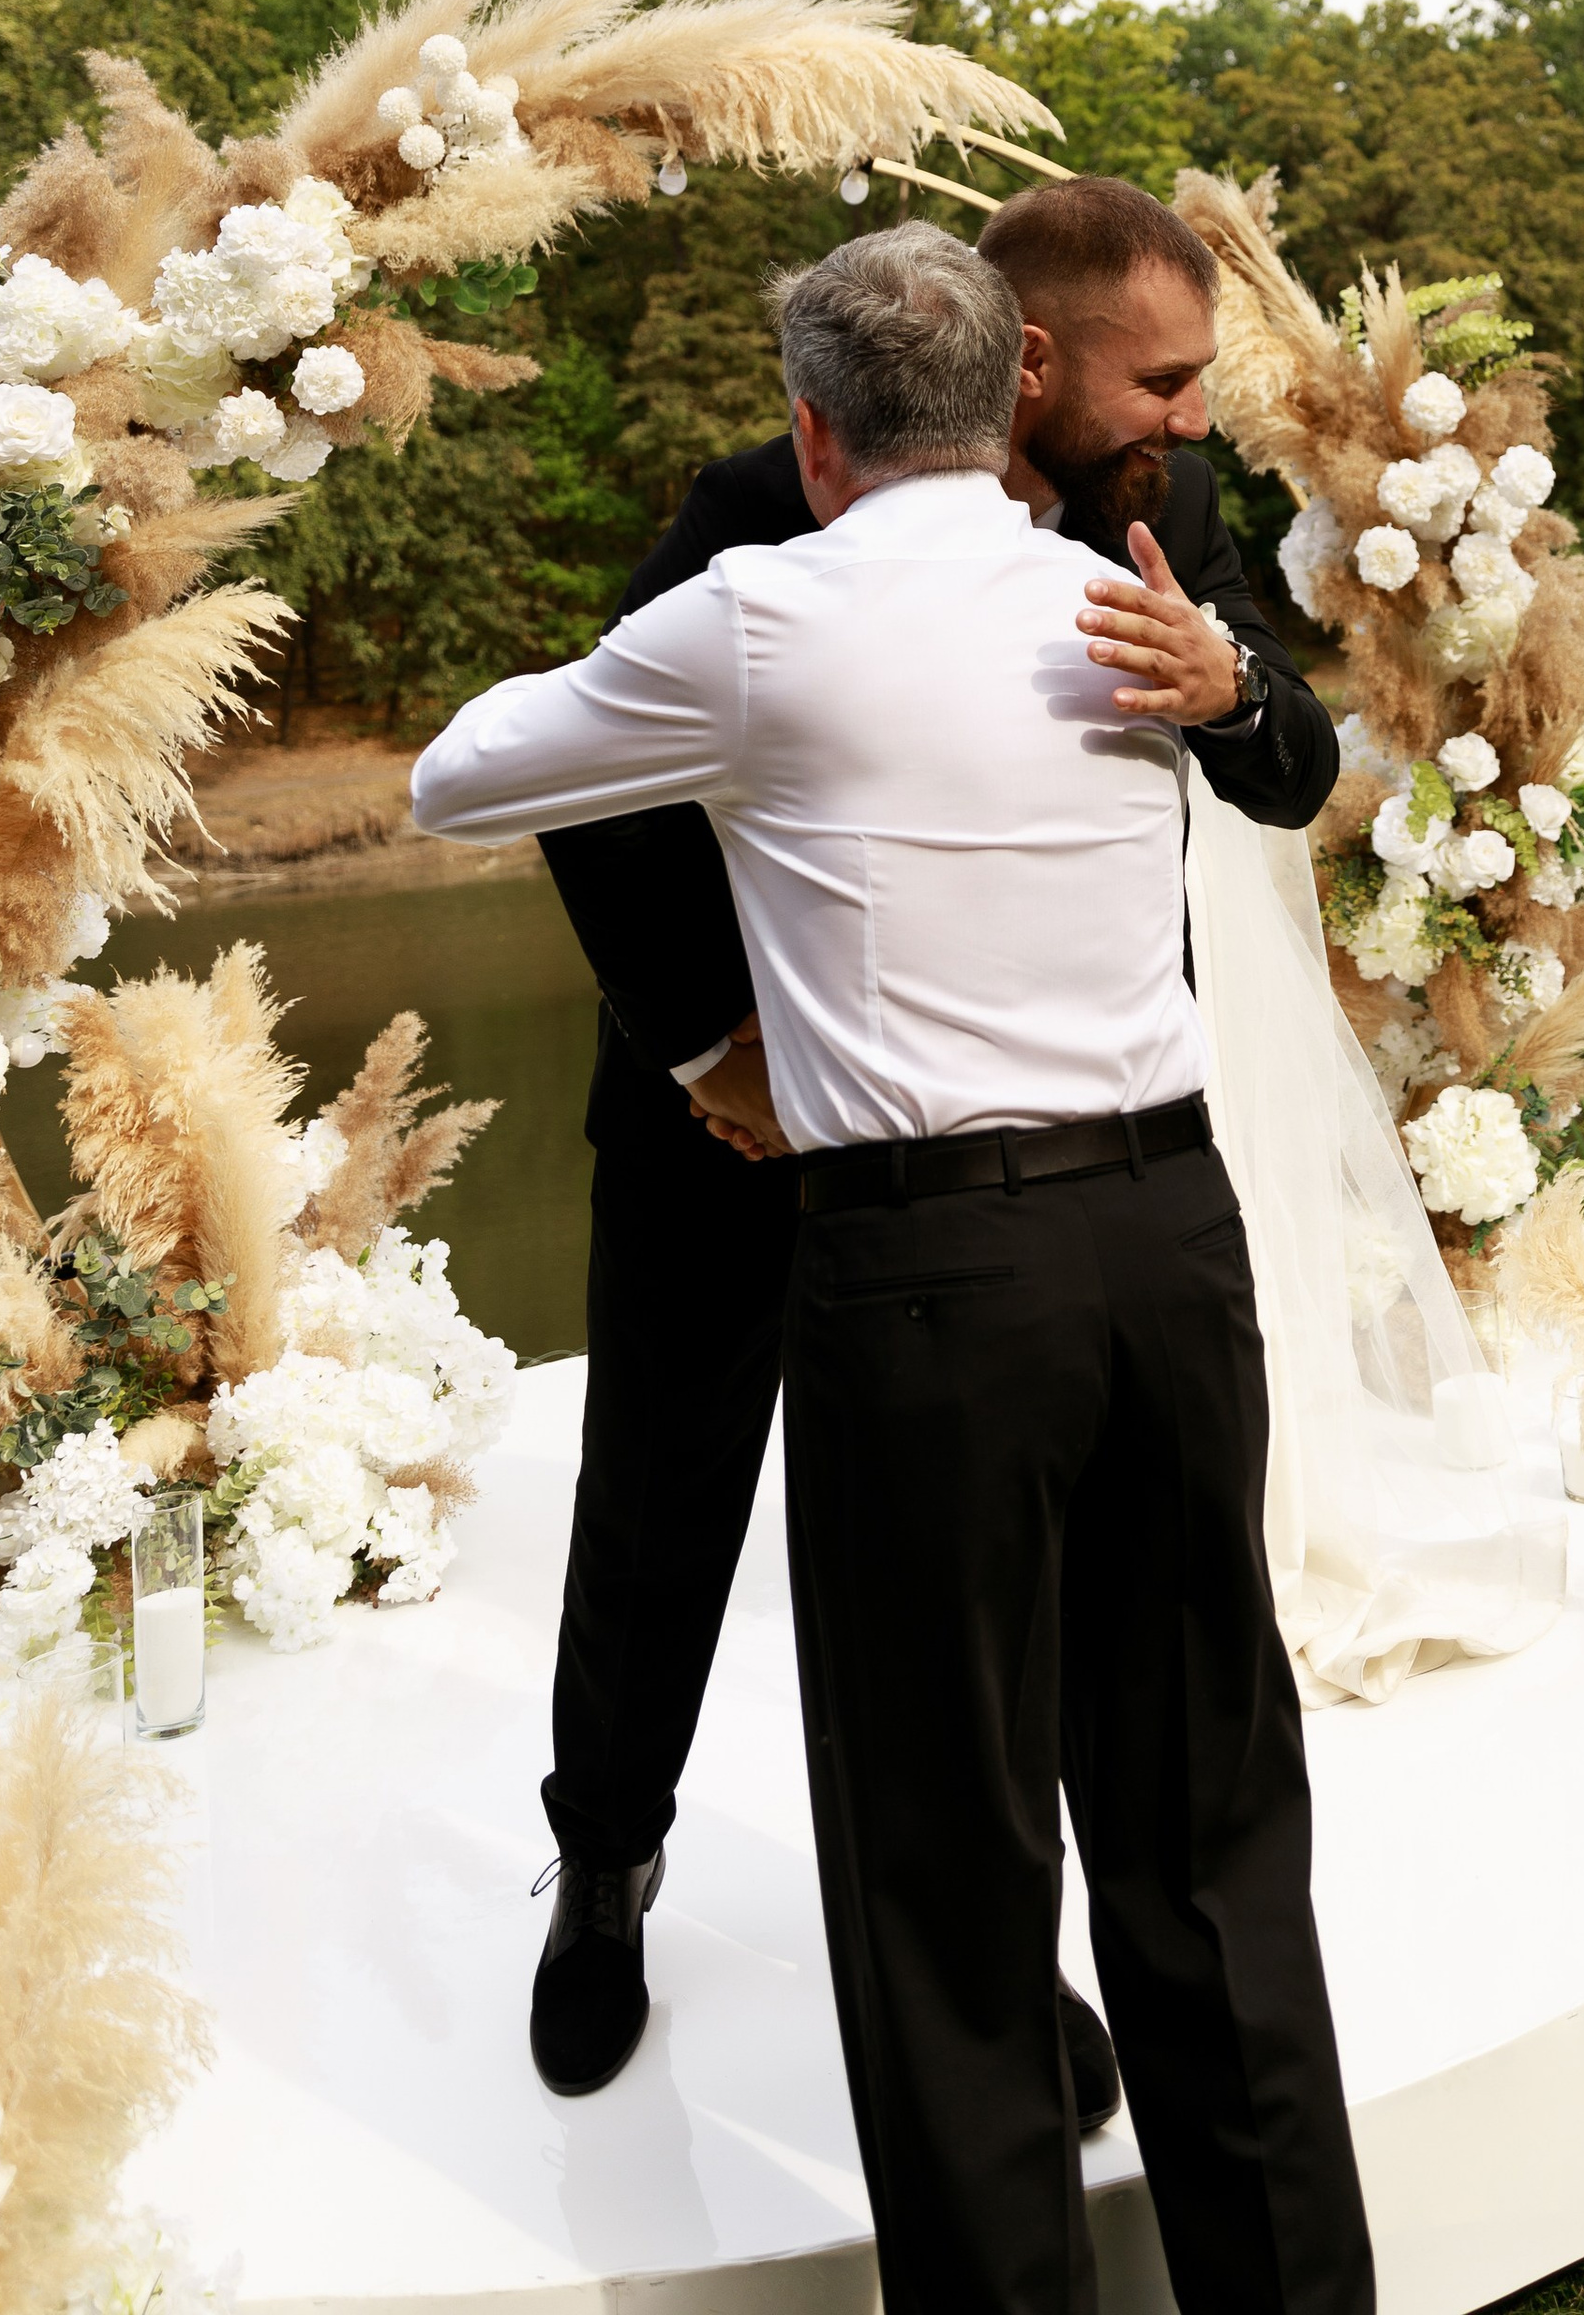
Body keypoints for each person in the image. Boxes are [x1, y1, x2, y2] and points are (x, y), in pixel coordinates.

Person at [412, 226, 1374, 2315]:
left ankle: (1012, 2013)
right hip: (728, 1116)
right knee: (664, 1502)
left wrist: (1237, 682)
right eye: (1156, 385)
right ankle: (606, 1872)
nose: (1192, 425)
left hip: (1029, 1189)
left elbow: (1280, 770)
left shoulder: (1156, 518)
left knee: (1009, 1752)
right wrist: (707, 1046)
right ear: (1025, 371)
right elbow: (586, 801)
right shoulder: (762, 527)